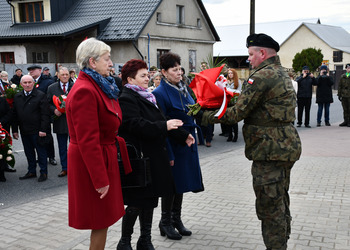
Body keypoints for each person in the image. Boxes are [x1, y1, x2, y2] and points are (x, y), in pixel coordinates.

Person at [200, 33, 302, 250]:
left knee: (269, 207)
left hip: (269, 150)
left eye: (250, 54)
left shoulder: (261, 76)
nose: (248, 59)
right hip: (283, 147)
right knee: (280, 199)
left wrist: (204, 116)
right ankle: (282, 242)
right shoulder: (281, 72)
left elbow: (236, 114)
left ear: (262, 53)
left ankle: (277, 246)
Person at [117, 59, 195, 249]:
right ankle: (124, 242)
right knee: (136, 203)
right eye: (143, 75)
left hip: (153, 157)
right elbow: (135, 124)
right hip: (139, 159)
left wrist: (182, 134)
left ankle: (145, 240)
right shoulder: (126, 97)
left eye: (148, 74)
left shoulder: (147, 96)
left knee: (150, 201)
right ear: (130, 79)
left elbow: (161, 119)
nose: (148, 78)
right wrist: (164, 126)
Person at [66, 38, 125, 250]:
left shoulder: (98, 85)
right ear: (92, 62)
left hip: (102, 157)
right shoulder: (85, 90)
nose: (111, 63)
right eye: (107, 59)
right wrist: (100, 178)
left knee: (103, 220)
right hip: (92, 163)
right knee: (99, 220)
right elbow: (87, 140)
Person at [153, 52, 204, 240]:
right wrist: (169, 152)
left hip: (187, 143)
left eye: (180, 69)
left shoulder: (184, 88)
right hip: (173, 143)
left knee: (181, 183)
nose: (179, 73)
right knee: (171, 185)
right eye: (174, 70)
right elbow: (162, 122)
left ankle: (176, 219)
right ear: (164, 72)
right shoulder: (159, 93)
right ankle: (165, 222)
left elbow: (193, 108)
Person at [12, 75, 51, 182]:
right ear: (21, 84)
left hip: (38, 131)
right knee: (29, 152)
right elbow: (14, 115)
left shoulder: (40, 95)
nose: (28, 84)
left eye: (30, 82)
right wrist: (15, 130)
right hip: (24, 130)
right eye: (25, 83)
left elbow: (45, 115)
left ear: (33, 83)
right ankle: (31, 171)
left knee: (41, 152)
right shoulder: (17, 96)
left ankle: (43, 172)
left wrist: (43, 130)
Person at [27, 64, 57, 165]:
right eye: (29, 70)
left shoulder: (48, 82)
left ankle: (51, 156)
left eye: (33, 70)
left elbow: (52, 98)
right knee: (36, 137)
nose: (31, 71)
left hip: (45, 114)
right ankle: (41, 156)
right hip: (33, 115)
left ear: (40, 70)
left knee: (47, 136)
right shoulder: (29, 82)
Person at [47, 67, 74, 177]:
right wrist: (54, 110)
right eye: (62, 74)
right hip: (60, 122)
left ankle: (75, 168)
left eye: (67, 74)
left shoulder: (75, 86)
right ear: (58, 75)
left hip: (73, 122)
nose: (65, 76)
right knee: (62, 147)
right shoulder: (51, 88)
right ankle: (65, 168)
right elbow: (47, 103)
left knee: (74, 147)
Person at [225, 68, 241, 142]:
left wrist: (229, 90)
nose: (230, 74)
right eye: (229, 73)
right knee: (228, 120)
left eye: (231, 73)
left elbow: (239, 92)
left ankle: (236, 136)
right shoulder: (226, 82)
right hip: (227, 103)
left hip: (234, 103)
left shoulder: (238, 82)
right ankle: (230, 135)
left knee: (234, 120)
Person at [0, 96, 13, 182]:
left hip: (2, 130)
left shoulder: (2, 100)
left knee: (2, 152)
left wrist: (1, 122)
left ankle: (2, 172)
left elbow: (9, 113)